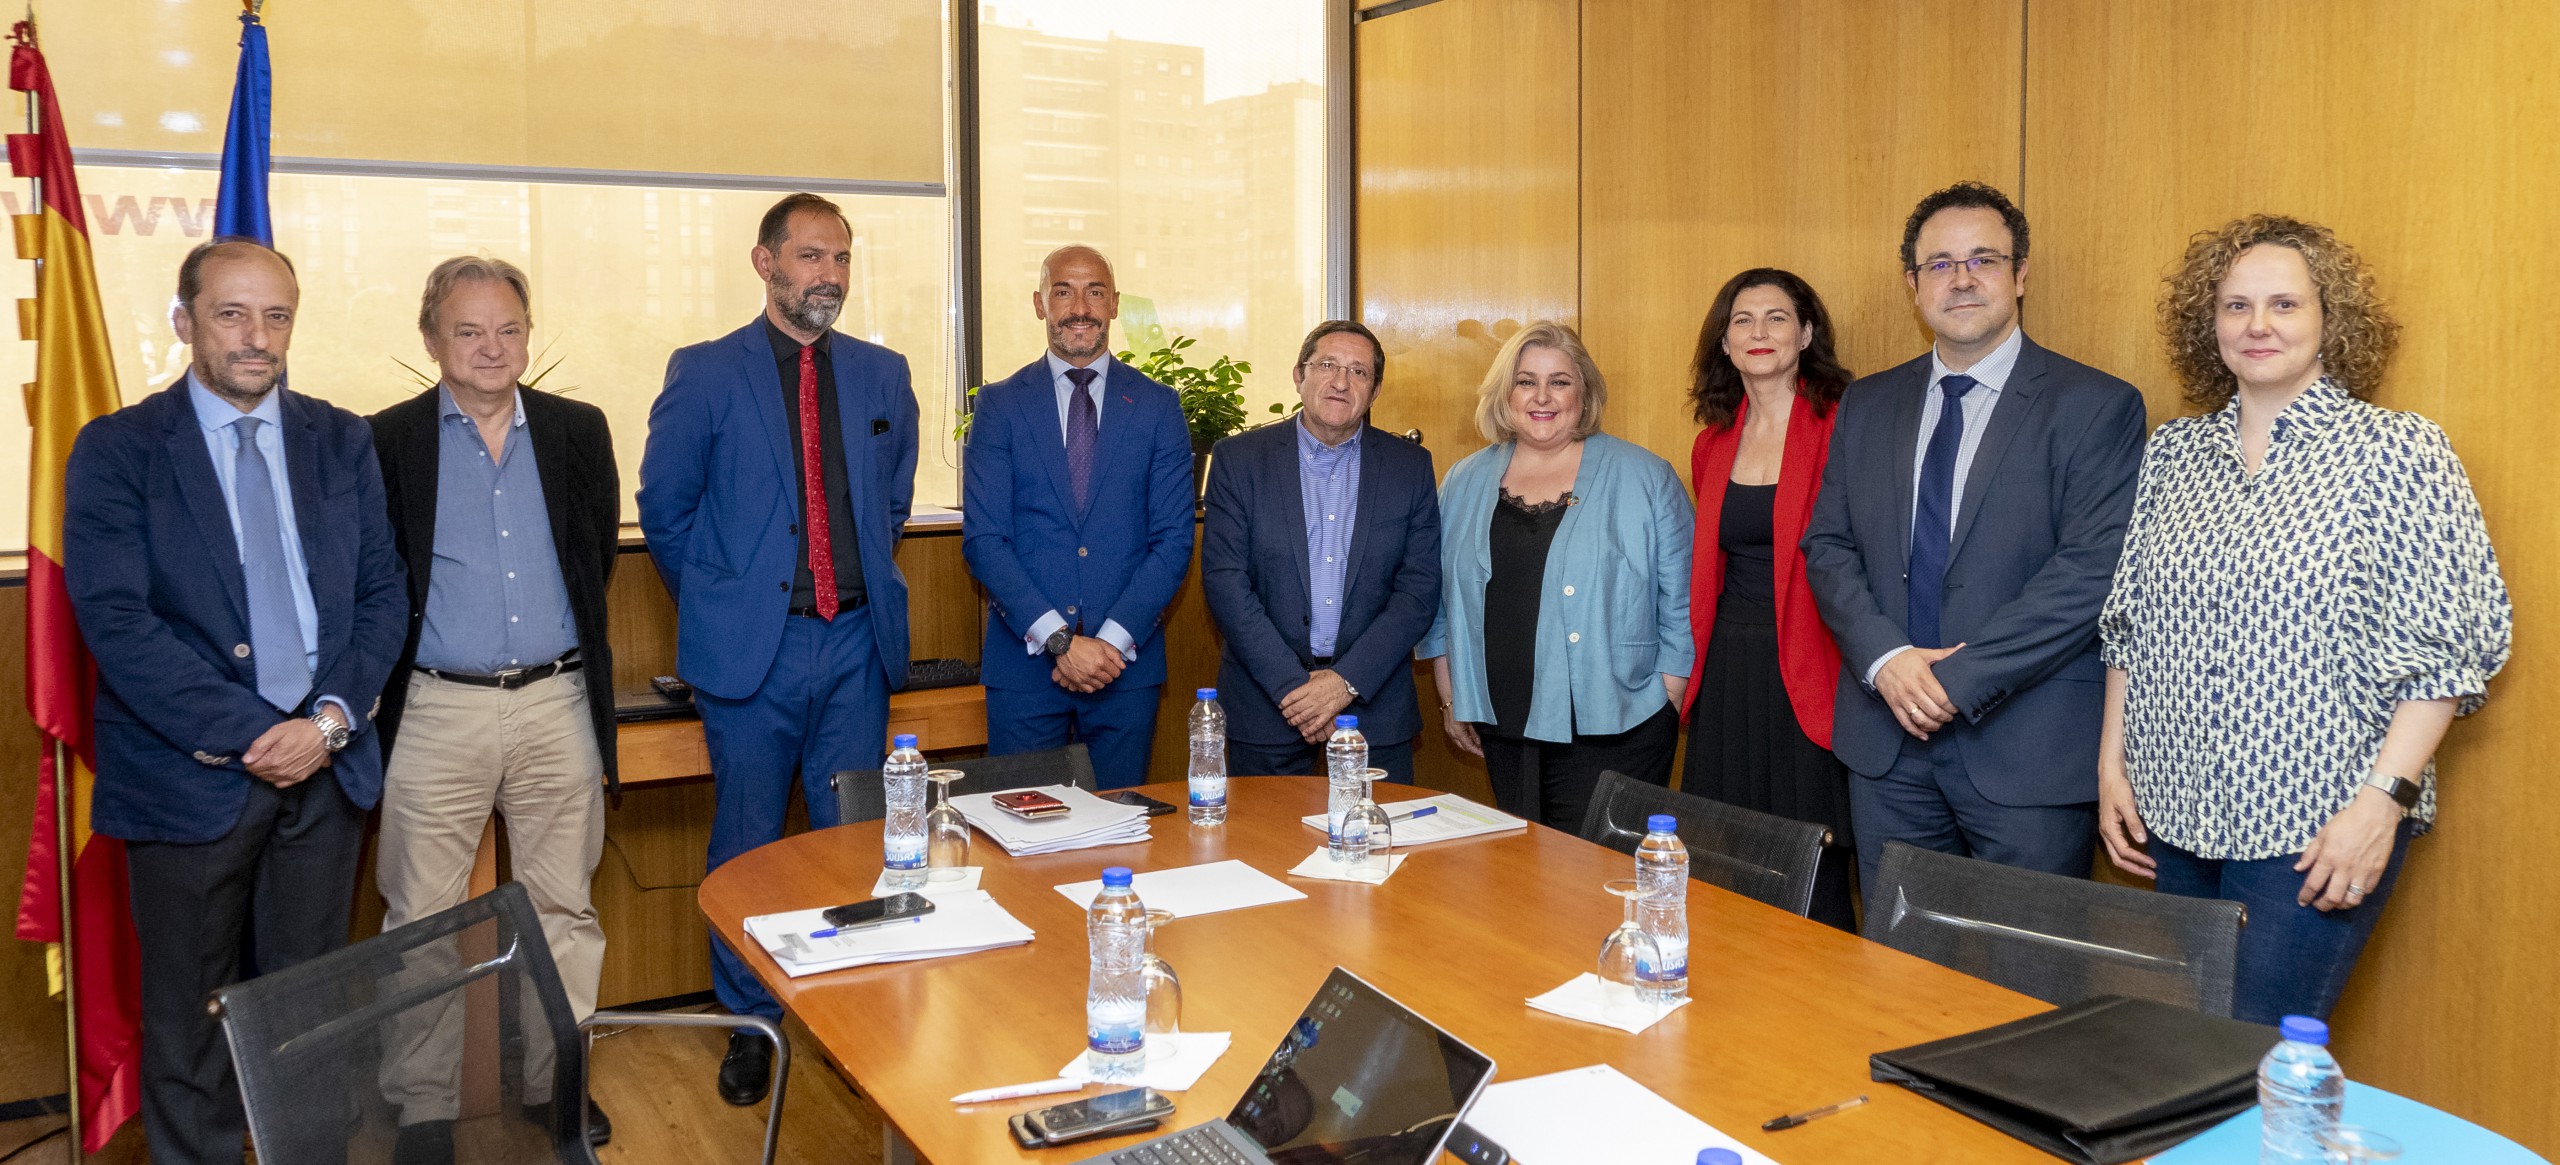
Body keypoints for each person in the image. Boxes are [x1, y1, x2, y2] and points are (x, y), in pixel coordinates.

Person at [2097, 215, 2510, 1023]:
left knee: (2256, 1056)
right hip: (2172, 811)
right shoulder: (2174, 453)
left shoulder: (2397, 450)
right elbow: (2130, 624)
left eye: (2284, 304)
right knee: (2189, 1050)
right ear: (2209, 323)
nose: (2258, 325)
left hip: (2316, 822)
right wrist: (2113, 767)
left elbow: (2446, 656)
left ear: (2331, 318)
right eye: (2236, 305)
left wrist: (2381, 804)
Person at [63, 237, 406, 1165]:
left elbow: (382, 594)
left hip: (326, 772)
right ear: (185, 322)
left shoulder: (342, 438)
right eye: (232, 313)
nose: (257, 336)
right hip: (188, 777)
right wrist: (262, 734)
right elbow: (117, 620)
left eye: (276, 316)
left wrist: (326, 725)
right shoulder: (119, 449)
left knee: (311, 1008)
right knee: (190, 1016)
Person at [638, 193, 919, 1105]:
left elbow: (892, 502)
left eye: (841, 258)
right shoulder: (705, 372)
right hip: (751, 654)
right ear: (765, 263)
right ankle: (749, 1020)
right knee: (748, 844)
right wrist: (727, 602)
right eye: (810, 257)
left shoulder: (883, 374)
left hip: (855, 645)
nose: (829, 275)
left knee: (852, 840)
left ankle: (843, 1016)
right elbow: (666, 509)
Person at [1801, 181, 2147, 891]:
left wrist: (1953, 682)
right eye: (1940, 264)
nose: (1961, 279)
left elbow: (2090, 573)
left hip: (2027, 748)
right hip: (1888, 743)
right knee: (1896, 955)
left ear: (2020, 276)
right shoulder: (1867, 403)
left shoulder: (2096, 405)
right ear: (1913, 285)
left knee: (2028, 954)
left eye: (1983, 259)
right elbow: (1829, 548)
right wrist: (1886, 660)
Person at [368, 256, 620, 1156]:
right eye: (469, 330)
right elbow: (375, 577)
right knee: (422, 921)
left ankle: (560, 1085)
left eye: (509, 329)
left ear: (528, 334)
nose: (491, 347)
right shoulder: (386, 440)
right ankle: (425, 1108)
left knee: (564, 909)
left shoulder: (578, 430)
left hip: (557, 700)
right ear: (431, 338)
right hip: (437, 708)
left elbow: (595, 558)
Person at [1418, 321, 1693, 832]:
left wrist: (1668, 697)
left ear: (1583, 392)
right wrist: (1452, 694)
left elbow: (1683, 599)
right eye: (1526, 381)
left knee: (1598, 872)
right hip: (1501, 720)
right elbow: (1438, 601)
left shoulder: (1645, 475)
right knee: (1523, 865)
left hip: (1618, 721)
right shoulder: (1463, 479)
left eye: (1559, 382)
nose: (1542, 396)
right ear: (1505, 393)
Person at [961, 245, 1195, 789]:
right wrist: (1060, 641)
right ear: (1039, 303)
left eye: (1095, 292)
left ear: (1114, 304)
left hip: (1124, 668)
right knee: (1021, 824)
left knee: (1119, 824)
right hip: (1024, 668)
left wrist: (1109, 643)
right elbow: (985, 540)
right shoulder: (999, 406)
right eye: (1063, 292)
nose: (1080, 308)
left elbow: (1173, 540)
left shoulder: (1158, 406)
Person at [1679, 268, 1859, 929]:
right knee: (1731, 856)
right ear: (1725, 343)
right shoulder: (1712, 442)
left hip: (1815, 663)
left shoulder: (1844, 427)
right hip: (1730, 666)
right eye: (1743, 320)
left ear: (1806, 334)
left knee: (1814, 857)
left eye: (1776, 317)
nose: (1759, 332)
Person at [1200, 320, 1442, 783]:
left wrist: (1344, 684)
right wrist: (1298, 692)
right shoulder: (1239, 459)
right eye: (1327, 365)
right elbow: (1225, 582)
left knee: (1377, 830)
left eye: (1358, 372)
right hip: (1267, 704)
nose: (1340, 382)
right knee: (1264, 832)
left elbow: (1418, 591)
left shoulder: (1410, 467)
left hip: (1373, 706)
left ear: (1374, 391)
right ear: (1299, 375)